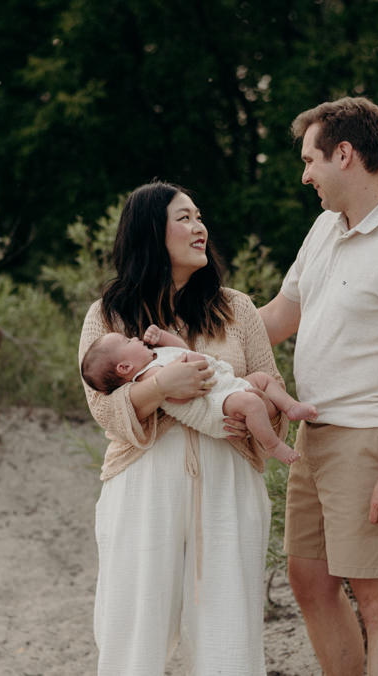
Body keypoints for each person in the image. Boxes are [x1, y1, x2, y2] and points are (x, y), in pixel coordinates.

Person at [258, 96, 378, 675]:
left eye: (309, 160)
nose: (305, 174)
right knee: (309, 581)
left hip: (373, 441)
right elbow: (276, 319)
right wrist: (190, 319)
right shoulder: (325, 228)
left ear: (344, 154)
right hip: (312, 434)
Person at [79, 180, 289, 675]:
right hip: (142, 488)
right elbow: (102, 408)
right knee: (133, 637)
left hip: (229, 485)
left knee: (228, 639)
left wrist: (250, 406)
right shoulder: (108, 315)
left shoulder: (237, 309)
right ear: (152, 232)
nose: (200, 227)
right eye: (185, 218)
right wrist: (163, 386)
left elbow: (274, 391)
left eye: (199, 216)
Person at [80, 326, 317, 465]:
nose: (134, 337)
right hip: (213, 406)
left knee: (263, 380)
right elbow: (178, 398)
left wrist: (162, 336)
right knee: (250, 402)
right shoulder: (149, 374)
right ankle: (273, 445)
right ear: (124, 367)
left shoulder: (155, 356)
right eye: (127, 341)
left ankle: (290, 406)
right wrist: (176, 376)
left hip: (227, 386)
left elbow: (181, 348)